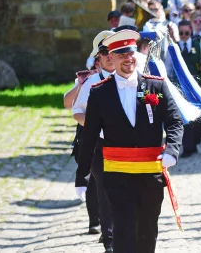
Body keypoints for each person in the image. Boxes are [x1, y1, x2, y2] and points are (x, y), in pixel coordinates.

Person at [74, 29, 184, 253]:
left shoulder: (157, 86)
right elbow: (90, 136)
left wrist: (172, 150)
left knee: (147, 232)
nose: (128, 59)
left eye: (131, 52)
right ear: (111, 58)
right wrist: (82, 175)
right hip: (118, 177)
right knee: (123, 234)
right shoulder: (99, 92)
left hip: (150, 175)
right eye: (121, 54)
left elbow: (174, 121)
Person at [71, 30, 117, 251]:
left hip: (126, 145)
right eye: (105, 52)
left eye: (114, 51)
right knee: (105, 190)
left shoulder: (131, 79)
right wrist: (93, 127)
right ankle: (109, 241)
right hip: (100, 145)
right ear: (98, 57)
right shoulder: (91, 83)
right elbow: (77, 111)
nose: (110, 56)